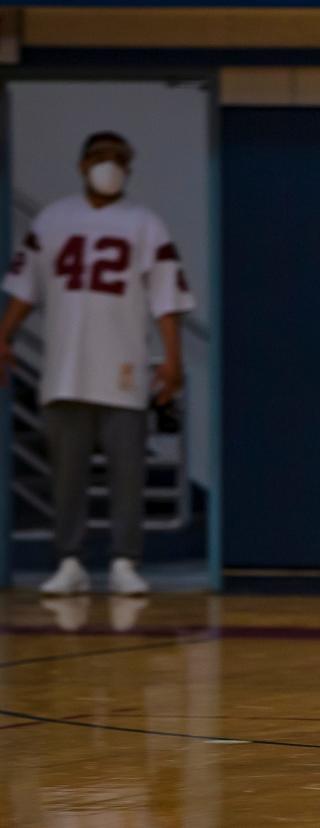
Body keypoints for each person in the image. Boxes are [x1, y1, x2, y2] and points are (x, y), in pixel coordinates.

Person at [0, 131, 195, 595]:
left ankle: (126, 560)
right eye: (102, 158)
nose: (110, 166)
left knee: (128, 473)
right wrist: (4, 336)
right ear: (83, 164)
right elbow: (25, 288)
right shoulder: (52, 219)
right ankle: (69, 559)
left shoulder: (145, 223)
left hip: (122, 368)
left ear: (128, 168)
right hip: (63, 371)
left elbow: (166, 299)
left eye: (118, 159)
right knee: (67, 475)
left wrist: (172, 359)